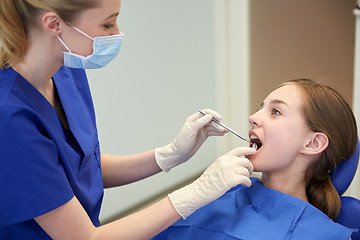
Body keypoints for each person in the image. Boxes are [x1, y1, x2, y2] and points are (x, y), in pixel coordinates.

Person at [0, 0, 257, 239]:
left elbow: (82, 167)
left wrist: (168, 155)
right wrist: (194, 193)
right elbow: (85, 237)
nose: (117, 33)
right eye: (108, 24)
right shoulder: (12, 117)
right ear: (54, 24)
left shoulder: (66, 71)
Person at [152, 79, 359, 240]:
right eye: (260, 107)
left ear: (313, 144)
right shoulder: (217, 192)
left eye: (275, 111)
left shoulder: (324, 235)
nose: (252, 117)